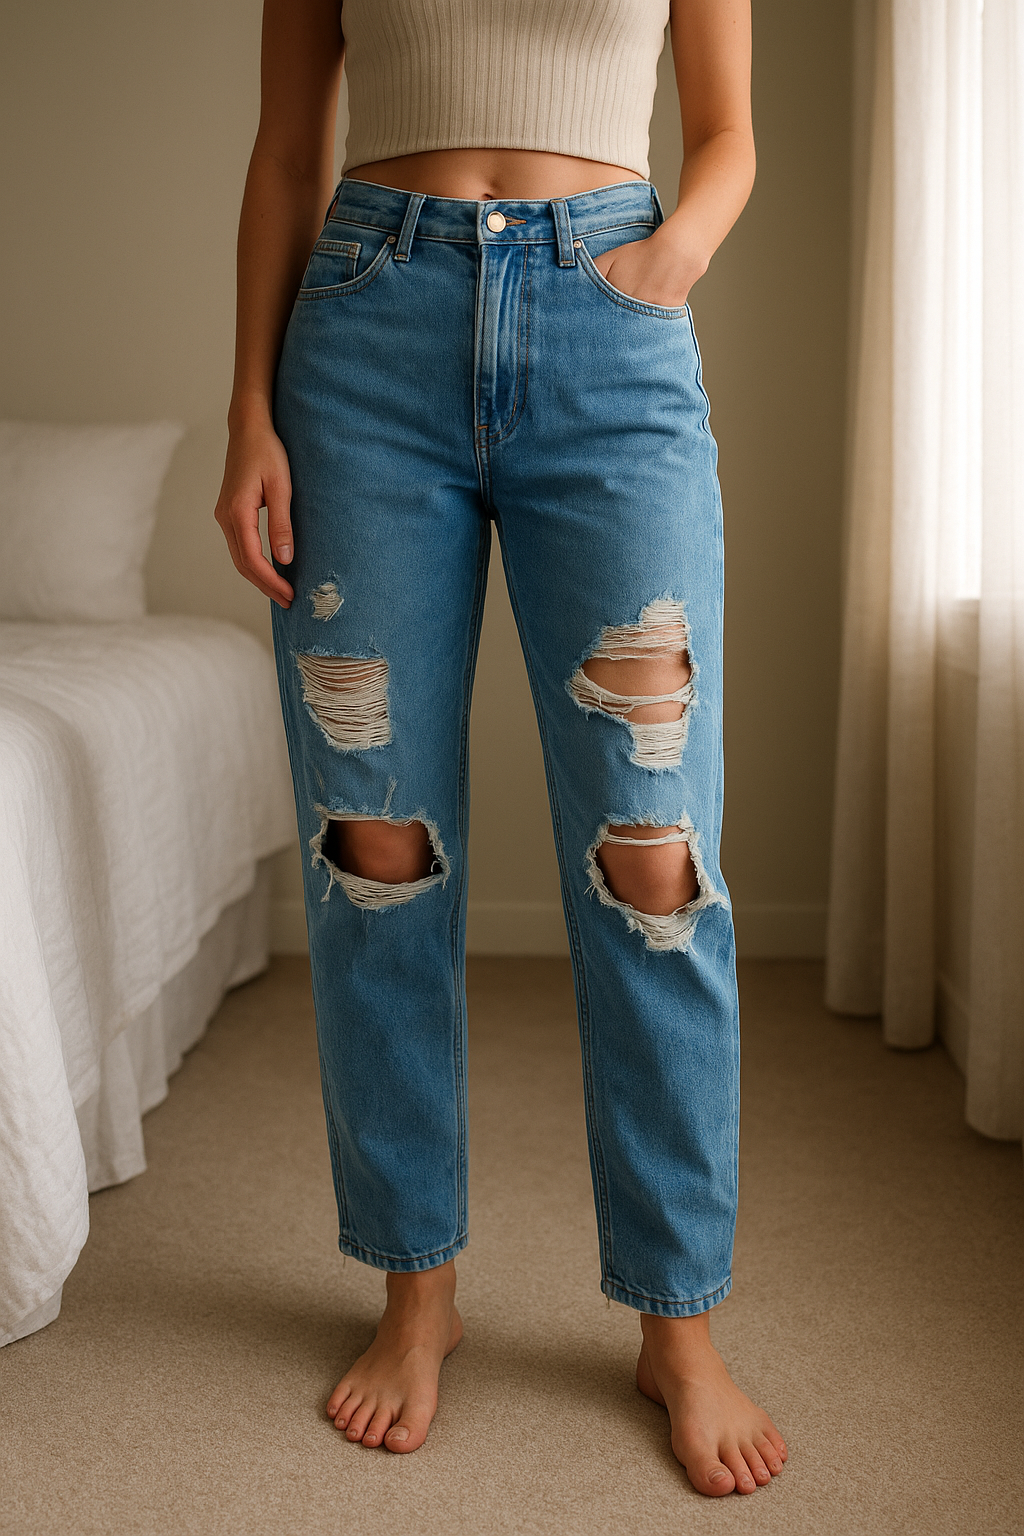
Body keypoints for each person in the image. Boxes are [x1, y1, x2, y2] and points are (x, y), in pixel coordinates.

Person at [215, 0, 787, 1497]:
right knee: (374, 847)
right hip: (365, 334)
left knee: (655, 859)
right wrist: (249, 411)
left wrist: (663, 263)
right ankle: (418, 1294)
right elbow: (287, 155)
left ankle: (680, 1321)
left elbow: (725, 137)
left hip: (610, 335)